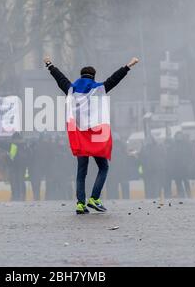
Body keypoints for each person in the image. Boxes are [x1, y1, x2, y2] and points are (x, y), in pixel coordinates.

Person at [44, 55, 139, 214]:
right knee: (103, 167)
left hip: (80, 137)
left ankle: (80, 204)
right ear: (93, 76)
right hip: (95, 137)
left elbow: (60, 78)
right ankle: (94, 198)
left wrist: (49, 64)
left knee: (81, 172)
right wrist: (128, 66)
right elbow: (114, 79)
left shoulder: (71, 89)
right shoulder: (98, 89)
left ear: (81, 76)